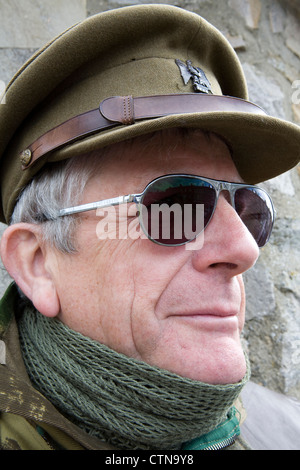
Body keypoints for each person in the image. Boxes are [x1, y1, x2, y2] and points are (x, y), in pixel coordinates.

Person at [0, 4, 299, 451]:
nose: (243, 248)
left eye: (247, 207)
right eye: (175, 204)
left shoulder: (287, 431)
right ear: (39, 263)